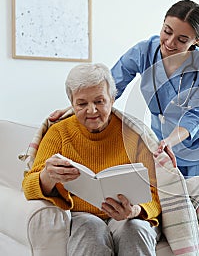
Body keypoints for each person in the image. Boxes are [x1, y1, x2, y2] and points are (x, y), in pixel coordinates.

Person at [50, 0, 199, 186]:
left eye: (182, 40)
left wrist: (170, 141)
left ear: (196, 40)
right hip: (162, 141)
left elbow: (195, 115)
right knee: (168, 205)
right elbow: (110, 87)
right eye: (167, 31)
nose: (170, 42)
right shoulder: (145, 51)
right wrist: (75, 108)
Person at [23, 63, 161, 255]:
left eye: (99, 101)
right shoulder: (59, 132)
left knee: (136, 229)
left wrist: (135, 211)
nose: (92, 111)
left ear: (112, 99)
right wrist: (48, 175)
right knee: (90, 227)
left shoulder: (134, 135)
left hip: (128, 217)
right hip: (82, 216)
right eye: (82, 104)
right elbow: (29, 185)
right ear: (71, 103)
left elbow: (157, 192)